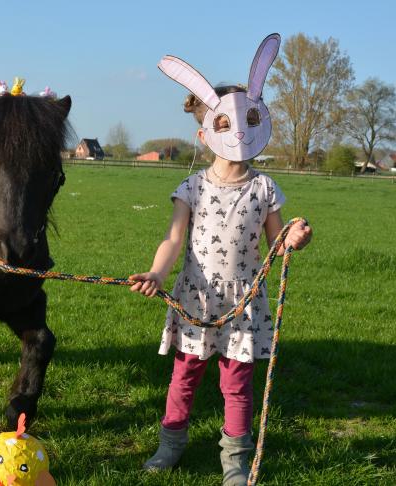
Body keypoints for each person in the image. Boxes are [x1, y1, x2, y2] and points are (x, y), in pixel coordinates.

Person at [132, 34, 312, 485]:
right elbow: (174, 238)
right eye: (227, 125)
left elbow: (276, 243)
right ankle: (170, 446)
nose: (239, 134)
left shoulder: (265, 188)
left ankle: (234, 459)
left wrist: (293, 238)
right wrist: (157, 272)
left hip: (244, 302)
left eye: (247, 122)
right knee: (184, 377)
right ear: (206, 132)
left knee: (237, 383)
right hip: (195, 298)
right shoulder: (191, 187)